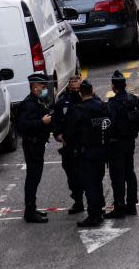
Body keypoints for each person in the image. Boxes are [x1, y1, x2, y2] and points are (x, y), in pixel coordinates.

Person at [106, 71, 139, 219]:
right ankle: (132, 205)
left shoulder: (112, 104)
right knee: (129, 173)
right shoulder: (134, 100)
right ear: (125, 85)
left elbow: (109, 124)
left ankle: (119, 207)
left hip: (116, 144)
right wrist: (136, 129)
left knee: (117, 176)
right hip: (130, 142)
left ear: (114, 87)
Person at [65, 79, 111, 228]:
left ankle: (94, 215)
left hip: (86, 153)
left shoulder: (77, 110)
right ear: (92, 91)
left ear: (80, 93)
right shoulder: (103, 107)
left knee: (90, 184)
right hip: (102, 151)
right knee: (98, 181)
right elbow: (110, 124)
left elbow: (70, 134)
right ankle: (100, 209)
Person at [16, 73, 53, 224]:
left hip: (37, 144)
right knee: (32, 178)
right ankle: (30, 212)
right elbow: (23, 126)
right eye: (43, 87)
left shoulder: (37, 101)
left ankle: (32, 209)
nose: (45, 89)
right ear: (34, 86)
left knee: (35, 178)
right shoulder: (28, 103)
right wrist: (42, 122)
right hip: (32, 146)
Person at [52, 74, 84, 214]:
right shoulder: (62, 102)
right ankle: (78, 201)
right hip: (69, 145)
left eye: (78, 87)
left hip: (85, 144)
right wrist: (58, 135)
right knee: (72, 175)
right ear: (69, 86)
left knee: (88, 175)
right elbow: (56, 121)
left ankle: (95, 204)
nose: (75, 90)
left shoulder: (87, 98)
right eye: (73, 87)